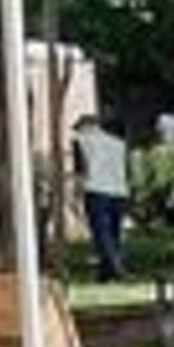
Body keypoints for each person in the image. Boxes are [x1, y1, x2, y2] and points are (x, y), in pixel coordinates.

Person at [68, 116, 128, 281]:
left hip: (96, 190)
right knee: (114, 233)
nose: (77, 132)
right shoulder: (118, 143)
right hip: (119, 191)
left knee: (102, 234)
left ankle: (116, 268)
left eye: (78, 128)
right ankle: (105, 273)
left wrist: (75, 195)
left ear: (85, 126)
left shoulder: (80, 141)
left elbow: (81, 170)